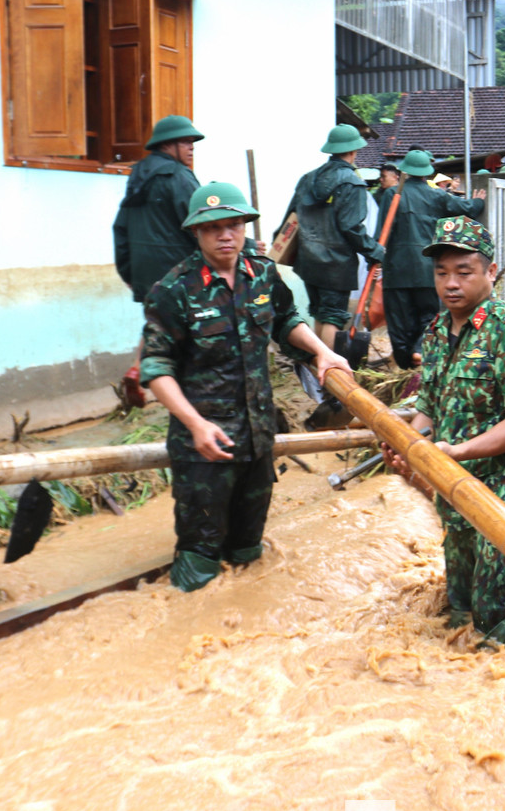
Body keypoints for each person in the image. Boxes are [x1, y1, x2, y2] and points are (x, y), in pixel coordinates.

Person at [139, 182, 351, 591]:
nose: (225, 235)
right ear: (196, 232)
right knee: (199, 566)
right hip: (205, 451)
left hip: (257, 440)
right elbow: (156, 369)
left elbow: (287, 320)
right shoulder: (174, 291)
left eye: (234, 225)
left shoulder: (263, 274)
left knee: (248, 556)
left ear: (244, 227)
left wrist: (322, 352)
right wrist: (195, 425)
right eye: (213, 227)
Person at [384, 217, 505, 663]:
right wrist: (410, 445)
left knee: (499, 609)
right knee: (462, 605)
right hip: (456, 482)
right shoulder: (438, 333)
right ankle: (470, 680)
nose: (451, 283)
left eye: (464, 271)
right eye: (442, 273)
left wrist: (456, 452)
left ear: (490, 272)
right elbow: (431, 409)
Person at [113, 115, 204, 406]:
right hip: (178, 271)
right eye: (186, 141)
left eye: (192, 142)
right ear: (168, 144)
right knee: (189, 334)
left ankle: (137, 368)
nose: (192, 147)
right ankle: (177, 395)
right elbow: (202, 222)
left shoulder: (138, 176)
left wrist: (128, 271)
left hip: (144, 270)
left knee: (158, 323)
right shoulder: (178, 177)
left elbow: (120, 227)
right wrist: (247, 246)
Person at [376, 150, 484, 369]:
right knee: (429, 316)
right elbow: (466, 209)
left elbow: (382, 233)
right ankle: (419, 352)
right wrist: (479, 201)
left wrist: (376, 261)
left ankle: (405, 365)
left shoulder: (392, 195)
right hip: (427, 269)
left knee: (398, 323)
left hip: (397, 271)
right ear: (427, 172)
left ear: (404, 171)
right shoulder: (437, 195)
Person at [278, 124, 384, 348]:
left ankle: (320, 367)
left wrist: (278, 243)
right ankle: (331, 372)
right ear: (354, 151)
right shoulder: (352, 183)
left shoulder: (308, 179)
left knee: (319, 313)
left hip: (308, 260)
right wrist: (375, 251)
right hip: (336, 264)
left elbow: (291, 218)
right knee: (333, 316)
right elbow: (351, 227)